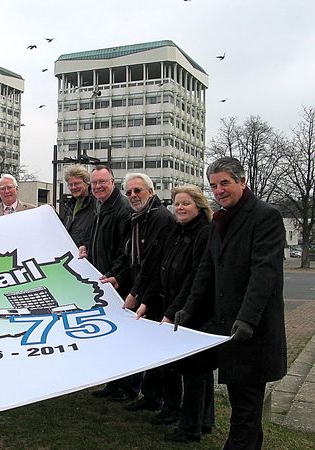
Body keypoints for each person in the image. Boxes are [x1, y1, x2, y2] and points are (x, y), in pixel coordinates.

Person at [175, 157, 287, 449]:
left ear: (242, 181)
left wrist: (248, 318)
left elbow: (264, 272)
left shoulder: (266, 216)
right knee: (243, 407)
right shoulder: (220, 220)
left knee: (246, 409)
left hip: (253, 331)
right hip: (229, 328)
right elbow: (206, 272)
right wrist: (188, 310)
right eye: (213, 185)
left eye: (225, 182)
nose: (219, 190)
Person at [137, 185, 215, 441]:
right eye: (177, 204)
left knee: (195, 371)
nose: (180, 208)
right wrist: (148, 300)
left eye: (186, 204)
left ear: (199, 206)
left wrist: (173, 312)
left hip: (195, 311)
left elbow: (195, 278)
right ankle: (200, 420)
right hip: (176, 306)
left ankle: (191, 428)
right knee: (192, 370)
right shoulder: (178, 232)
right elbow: (163, 269)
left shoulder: (204, 234)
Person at [121, 173, 176, 413]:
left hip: (157, 292)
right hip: (143, 286)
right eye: (129, 192)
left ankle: (159, 399)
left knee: (160, 349)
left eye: (138, 191)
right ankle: (150, 395)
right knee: (147, 345)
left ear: (151, 192)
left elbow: (153, 262)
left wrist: (138, 294)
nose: (133, 195)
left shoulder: (159, 218)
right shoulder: (138, 218)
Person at [80, 166, 133, 401]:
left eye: (103, 182)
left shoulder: (122, 209)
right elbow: (95, 235)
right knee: (112, 335)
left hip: (118, 281)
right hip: (104, 277)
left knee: (125, 336)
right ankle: (114, 383)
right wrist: (85, 246)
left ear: (113, 182)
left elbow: (125, 249)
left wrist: (116, 274)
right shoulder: (100, 206)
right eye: (94, 183)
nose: (98, 187)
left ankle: (130, 387)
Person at [59, 165, 95, 248]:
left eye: (77, 184)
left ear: (87, 184)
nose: (73, 187)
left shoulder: (96, 205)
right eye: (70, 185)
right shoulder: (69, 206)